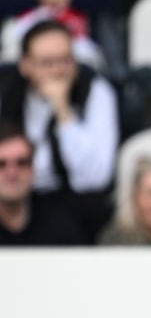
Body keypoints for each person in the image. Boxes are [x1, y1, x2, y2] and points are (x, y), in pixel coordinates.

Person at [0, 17, 118, 241]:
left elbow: (95, 178)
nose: (58, 71)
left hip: (71, 206)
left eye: (65, 61)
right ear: (25, 65)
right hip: (10, 199)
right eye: (47, 62)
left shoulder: (95, 90)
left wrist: (63, 111)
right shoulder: (5, 88)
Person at [0, 117, 86, 243]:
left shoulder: (61, 224)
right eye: (1, 164)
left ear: (33, 169)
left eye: (22, 163)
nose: (12, 172)